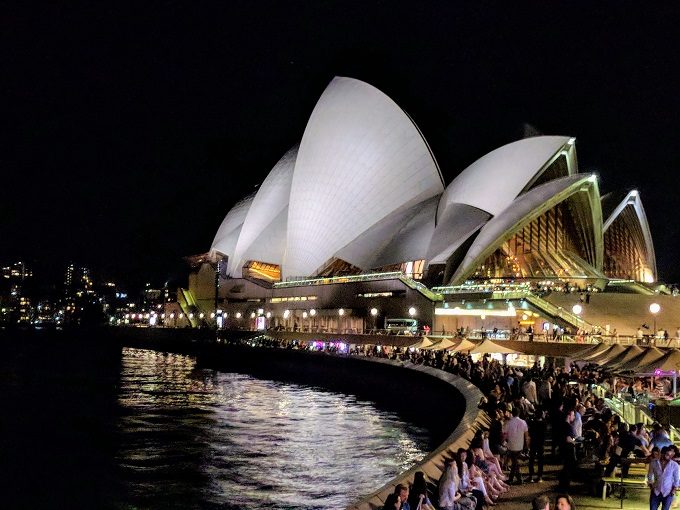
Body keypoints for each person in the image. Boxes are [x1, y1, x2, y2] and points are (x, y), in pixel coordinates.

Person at [502, 406, 530, 485]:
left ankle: (513, 479)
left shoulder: (509, 423)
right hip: (519, 446)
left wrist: (503, 442)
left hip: (511, 445)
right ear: (519, 413)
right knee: (515, 463)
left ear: (512, 413)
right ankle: (518, 479)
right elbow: (526, 436)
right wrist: (527, 446)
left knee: (514, 463)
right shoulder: (523, 422)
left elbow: (505, 434)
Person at [647, 446, 680, 510]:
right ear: (662, 454)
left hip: (668, 492)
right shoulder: (653, 462)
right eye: (667, 454)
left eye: (670, 455)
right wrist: (651, 486)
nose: (670, 456)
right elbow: (650, 475)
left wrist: (673, 490)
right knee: (652, 509)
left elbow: (676, 479)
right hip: (656, 491)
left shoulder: (674, 465)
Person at [557, 409, 577, 493]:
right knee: (568, 468)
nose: (574, 417)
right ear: (569, 416)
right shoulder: (569, 427)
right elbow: (568, 439)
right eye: (573, 415)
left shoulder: (561, 425)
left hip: (562, 449)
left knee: (565, 467)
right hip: (568, 450)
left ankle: (562, 484)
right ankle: (565, 486)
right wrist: (574, 442)